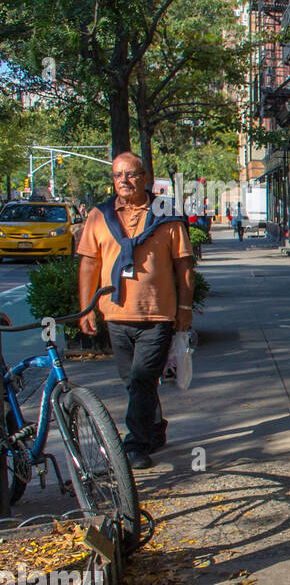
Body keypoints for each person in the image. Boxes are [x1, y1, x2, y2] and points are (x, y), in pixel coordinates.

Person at [77, 152, 195, 470]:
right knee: (132, 381)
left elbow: (183, 264)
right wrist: (86, 308)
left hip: (157, 314)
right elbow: (90, 263)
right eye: (117, 176)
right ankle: (154, 428)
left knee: (143, 378)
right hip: (115, 313)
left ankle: (135, 444)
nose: (124, 181)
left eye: (130, 175)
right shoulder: (99, 216)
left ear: (145, 178)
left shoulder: (165, 214)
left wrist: (184, 308)